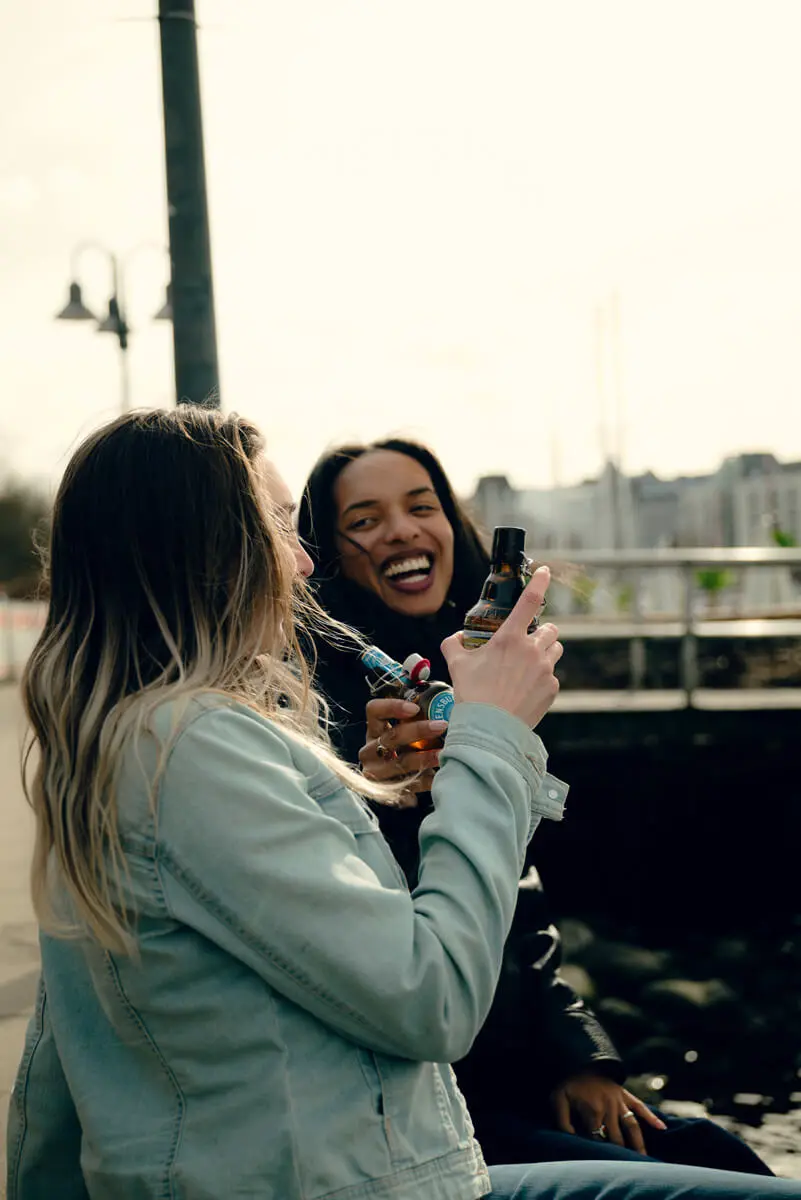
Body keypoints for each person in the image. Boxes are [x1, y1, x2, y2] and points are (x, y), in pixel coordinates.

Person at [7, 409, 796, 1200]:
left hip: (376, 1156)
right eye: (282, 527)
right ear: (205, 550)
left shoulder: (130, 737)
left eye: (422, 505)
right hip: (370, 1175)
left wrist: (399, 794)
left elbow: (62, 1056)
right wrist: (490, 739)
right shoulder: (189, 746)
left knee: (713, 1160)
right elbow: (432, 1002)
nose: (304, 562)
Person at [298, 436, 776, 1179]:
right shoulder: (322, 703)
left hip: (513, 1065)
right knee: (709, 1168)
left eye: (420, 506)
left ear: (454, 532)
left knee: (713, 1150)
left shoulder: (467, 663)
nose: (400, 529)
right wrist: (385, 790)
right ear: (322, 556)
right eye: (363, 520)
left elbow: (512, 887)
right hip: (424, 1097)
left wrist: (581, 1058)